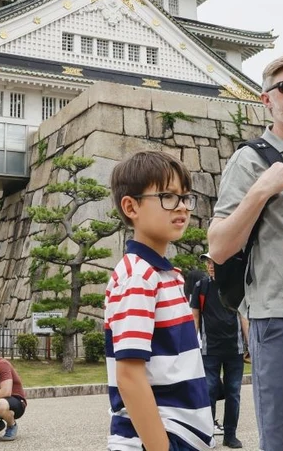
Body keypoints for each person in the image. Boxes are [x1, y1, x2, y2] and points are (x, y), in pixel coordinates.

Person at [207, 54, 283, 451]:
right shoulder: (251, 159)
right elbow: (220, 246)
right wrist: (262, 190)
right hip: (279, 316)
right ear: (266, 100)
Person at [106, 150, 214, 451]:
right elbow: (128, 375)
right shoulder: (139, 277)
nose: (181, 206)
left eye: (185, 197)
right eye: (167, 196)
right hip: (157, 437)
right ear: (131, 206)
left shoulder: (164, 274)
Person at [191, 255, 246, 448]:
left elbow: (243, 314)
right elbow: (195, 317)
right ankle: (208, 434)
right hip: (209, 348)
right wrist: (191, 345)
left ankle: (230, 435)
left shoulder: (234, 285)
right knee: (209, 390)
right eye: (208, 263)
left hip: (234, 348)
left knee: (233, 393)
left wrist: (250, 346)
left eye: (214, 262)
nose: (210, 266)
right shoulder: (201, 286)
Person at [0, 343, 28, 441]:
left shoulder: (1, 365)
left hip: (15, 400)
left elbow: (6, 391)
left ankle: (11, 425)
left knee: (1, 404)